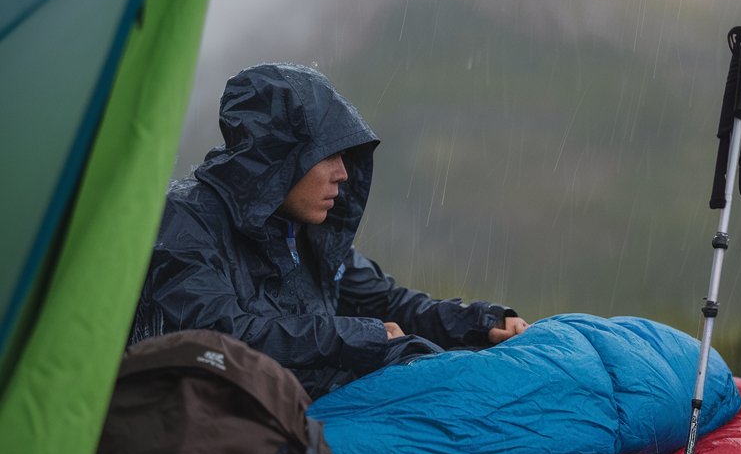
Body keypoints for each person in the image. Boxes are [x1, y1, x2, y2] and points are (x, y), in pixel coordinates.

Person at [131, 62, 529, 397]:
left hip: (301, 416)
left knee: (550, 352)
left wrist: (480, 323)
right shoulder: (185, 221)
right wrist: (361, 337)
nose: (343, 173)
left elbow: (385, 303)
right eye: (329, 155)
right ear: (278, 157)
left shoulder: (304, 229)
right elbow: (221, 337)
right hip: (211, 431)